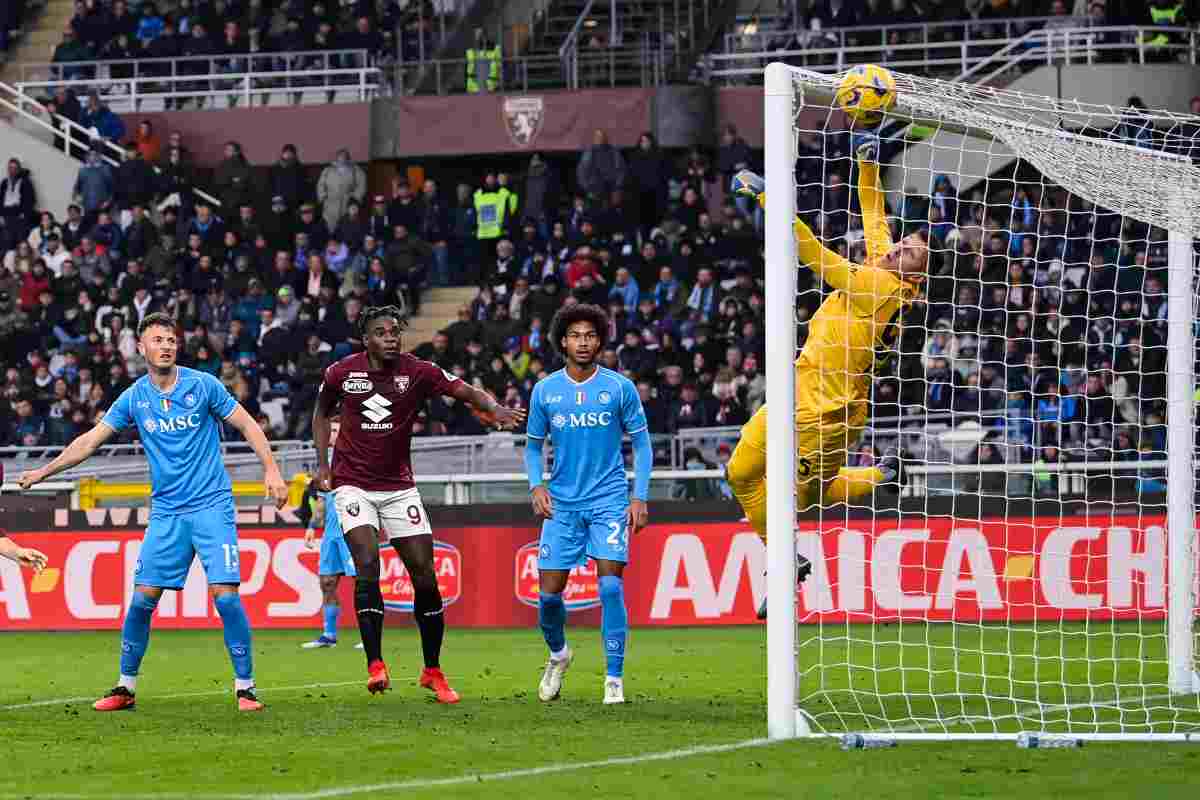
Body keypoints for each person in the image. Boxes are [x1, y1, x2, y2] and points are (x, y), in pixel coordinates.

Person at [17, 312, 289, 711]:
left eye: (171, 340)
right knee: (143, 599)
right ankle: (125, 687)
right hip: (167, 512)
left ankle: (245, 687)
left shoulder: (203, 385)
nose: (165, 346)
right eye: (157, 340)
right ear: (141, 348)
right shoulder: (134, 397)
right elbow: (90, 441)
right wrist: (43, 471)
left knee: (226, 597)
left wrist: (272, 469)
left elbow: (248, 424)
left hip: (211, 504)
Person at [725, 136, 928, 618]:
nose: (899, 248)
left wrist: (765, 195)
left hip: (830, 416)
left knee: (798, 499)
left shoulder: (881, 286)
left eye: (911, 255)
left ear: (914, 279)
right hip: (798, 394)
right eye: (905, 243)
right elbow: (875, 214)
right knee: (739, 473)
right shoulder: (885, 266)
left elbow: (814, 254)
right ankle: (876, 480)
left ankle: (787, 562)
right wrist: (867, 161)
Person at [312, 305, 525, 701]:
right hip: (352, 484)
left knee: (425, 576)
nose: (391, 338)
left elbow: (463, 389)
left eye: (395, 331)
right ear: (366, 338)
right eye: (382, 332)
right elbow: (321, 414)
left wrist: (493, 409)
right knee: (367, 563)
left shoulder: (418, 370)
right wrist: (322, 464)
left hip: (399, 487)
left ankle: (432, 670)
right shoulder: (342, 372)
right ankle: (376, 665)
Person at [524, 303, 652, 705]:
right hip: (561, 504)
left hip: (609, 500)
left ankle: (614, 678)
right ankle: (559, 655)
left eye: (590, 335)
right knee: (548, 595)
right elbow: (532, 447)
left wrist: (640, 496)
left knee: (611, 586)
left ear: (600, 341)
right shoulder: (546, 391)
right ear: (563, 341)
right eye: (576, 335)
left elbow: (643, 445)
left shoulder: (618, 388)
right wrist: (535, 486)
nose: (583, 342)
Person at [299, 416, 362, 650]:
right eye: (331, 430)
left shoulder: (356, 459)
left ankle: (369, 635)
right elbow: (324, 501)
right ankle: (329, 635)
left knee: (362, 583)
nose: (332, 434)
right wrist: (312, 528)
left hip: (353, 530)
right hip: (331, 534)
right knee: (327, 582)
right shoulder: (326, 463)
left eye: (336, 430)